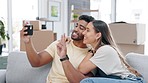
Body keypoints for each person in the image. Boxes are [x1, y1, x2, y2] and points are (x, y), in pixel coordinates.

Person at [57, 20, 146, 83]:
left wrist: (64, 56)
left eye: (88, 30)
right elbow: (82, 70)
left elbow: (81, 69)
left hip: (130, 81)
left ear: (98, 35)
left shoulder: (105, 50)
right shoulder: (97, 50)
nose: (83, 33)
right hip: (121, 80)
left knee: (87, 81)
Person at [20, 15, 95, 83]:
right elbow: (36, 62)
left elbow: (83, 81)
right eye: (76, 26)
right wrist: (28, 42)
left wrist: (63, 57)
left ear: (88, 32)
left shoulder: (91, 53)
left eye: (81, 28)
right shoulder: (60, 44)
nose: (75, 29)